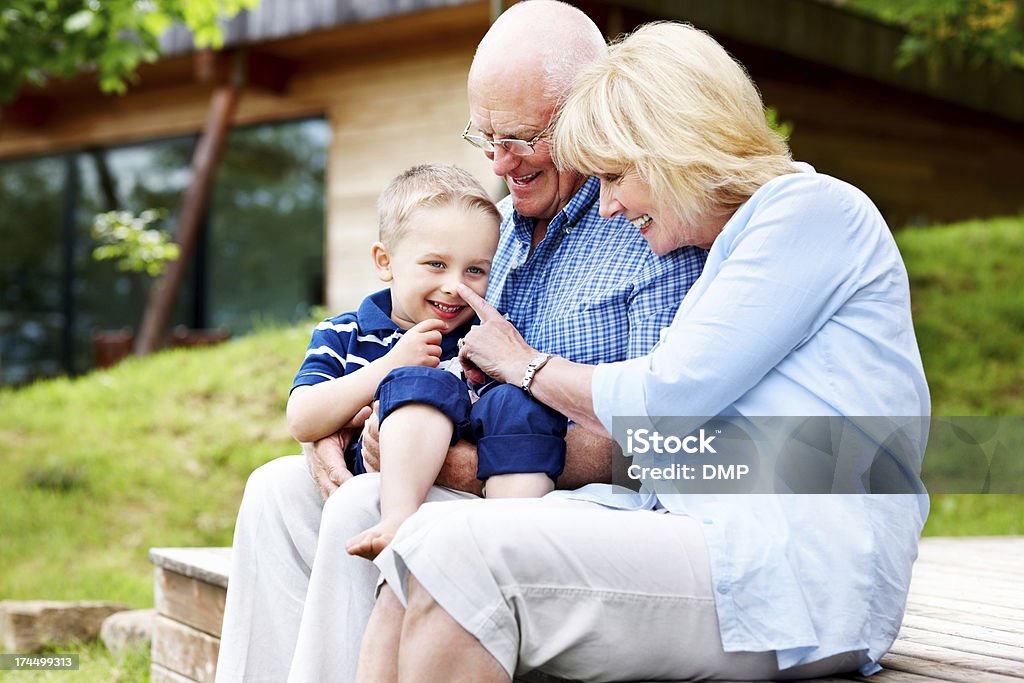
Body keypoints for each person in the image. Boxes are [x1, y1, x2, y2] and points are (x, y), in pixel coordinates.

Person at [366, 21, 931, 682]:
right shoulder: (731, 249)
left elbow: (665, 400)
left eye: (612, 176)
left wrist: (525, 364)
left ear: (674, 148)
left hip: (801, 580)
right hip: (709, 539)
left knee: (456, 549)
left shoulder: (816, 213)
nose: (605, 206)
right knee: (419, 550)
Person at [214, 3, 707, 681]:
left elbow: (667, 442)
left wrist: (458, 463)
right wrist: (332, 430)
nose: (501, 162)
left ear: (589, 113)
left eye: (523, 136)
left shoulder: (648, 230)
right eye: (485, 135)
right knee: (275, 490)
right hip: (455, 466)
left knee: (367, 503)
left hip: (559, 501)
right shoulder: (485, 230)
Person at [285, 163, 568, 562]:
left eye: (475, 270)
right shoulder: (344, 334)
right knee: (419, 386)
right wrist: (388, 367)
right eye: (436, 264)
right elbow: (302, 418)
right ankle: (398, 521)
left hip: (479, 492)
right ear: (385, 261)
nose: (455, 285)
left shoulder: (482, 338)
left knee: (517, 404)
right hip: (386, 486)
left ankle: (514, 534)